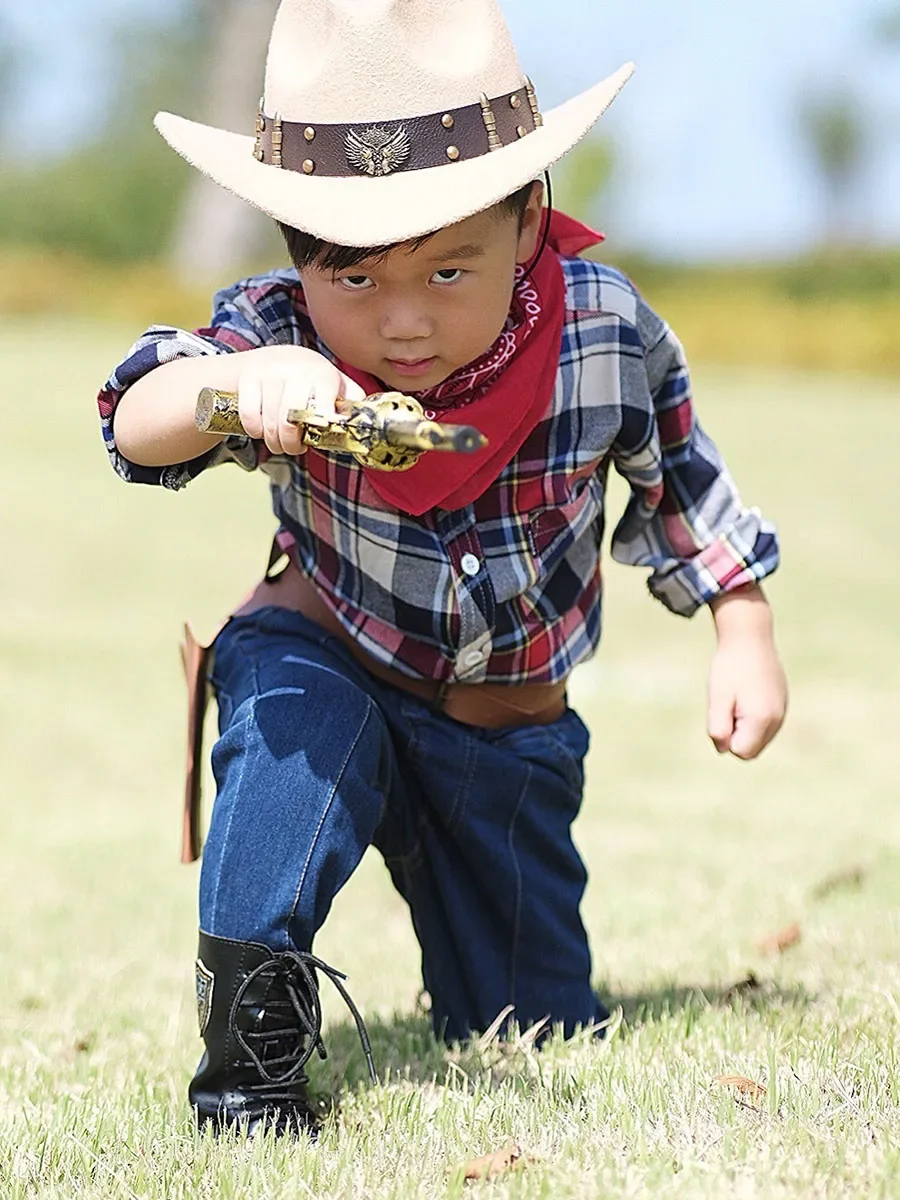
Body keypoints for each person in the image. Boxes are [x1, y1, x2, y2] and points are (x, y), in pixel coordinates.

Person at [97, 0, 787, 1138]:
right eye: (355, 279)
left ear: (527, 222)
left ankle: (502, 962)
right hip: (332, 654)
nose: (404, 324)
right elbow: (136, 414)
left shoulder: (605, 331)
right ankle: (251, 1070)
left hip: (506, 727)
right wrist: (240, 390)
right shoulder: (279, 337)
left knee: (533, 1020)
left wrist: (743, 628)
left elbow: (683, 483)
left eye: (450, 272)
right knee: (285, 751)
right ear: (294, 252)